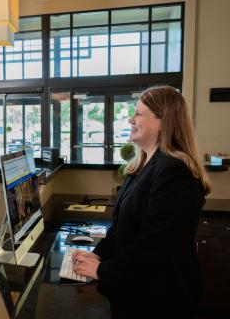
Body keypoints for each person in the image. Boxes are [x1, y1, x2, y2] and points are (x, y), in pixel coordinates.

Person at [72, 86, 211, 318]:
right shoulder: (140, 166)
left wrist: (103, 270)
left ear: (163, 121)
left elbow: (155, 246)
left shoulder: (175, 171)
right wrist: (98, 255)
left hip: (160, 299)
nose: (130, 119)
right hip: (135, 289)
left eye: (139, 113)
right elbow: (120, 229)